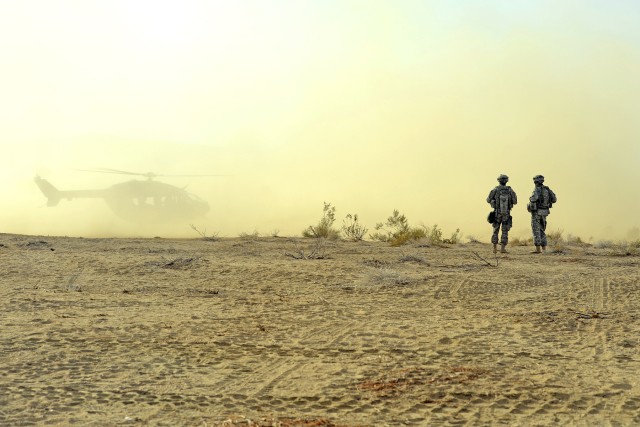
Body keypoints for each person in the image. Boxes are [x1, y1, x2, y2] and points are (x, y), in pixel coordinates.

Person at [487, 174, 517, 253]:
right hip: (506, 213)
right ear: (507, 181)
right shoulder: (510, 190)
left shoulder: (495, 189)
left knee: (495, 230)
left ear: (498, 180)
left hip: (497, 213)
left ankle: (494, 248)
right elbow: (515, 201)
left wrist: (493, 201)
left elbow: (488, 199)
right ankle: (502, 249)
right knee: (505, 230)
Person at [527, 175, 557, 253]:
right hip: (545, 211)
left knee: (536, 229)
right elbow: (554, 199)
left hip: (537, 212)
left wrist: (530, 200)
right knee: (542, 229)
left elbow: (534, 199)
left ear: (535, 181)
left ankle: (538, 250)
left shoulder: (536, 190)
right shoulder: (547, 189)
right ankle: (544, 249)